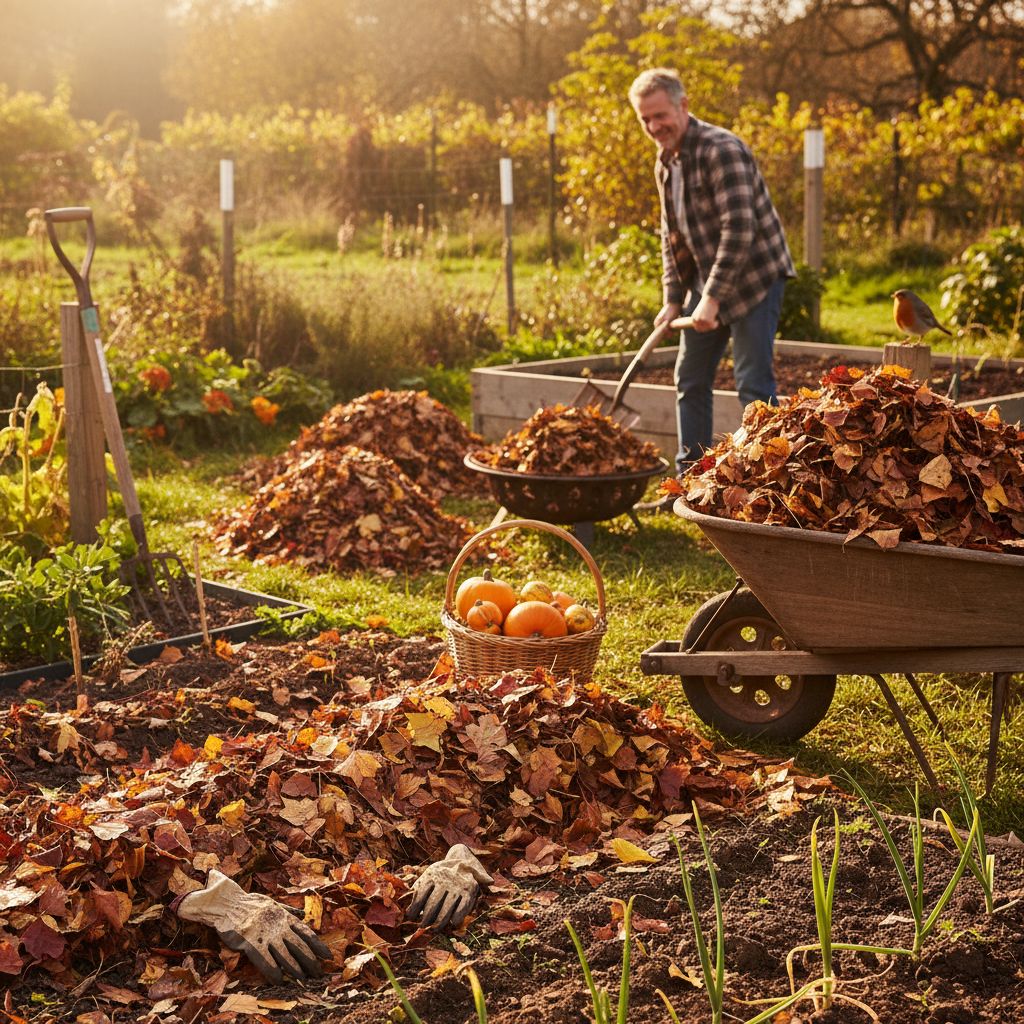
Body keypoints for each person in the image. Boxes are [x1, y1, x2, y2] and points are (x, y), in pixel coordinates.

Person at [629, 68, 795, 477]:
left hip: (755, 276)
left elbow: (740, 229)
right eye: (645, 119)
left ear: (683, 106)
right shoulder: (666, 161)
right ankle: (692, 477)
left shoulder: (721, 149)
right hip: (711, 280)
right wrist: (672, 299)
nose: (654, 126)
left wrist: (713, 297)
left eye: (660, 115)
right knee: (689, 377)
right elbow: (672, 237)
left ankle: (772, 478)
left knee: (753, 384)